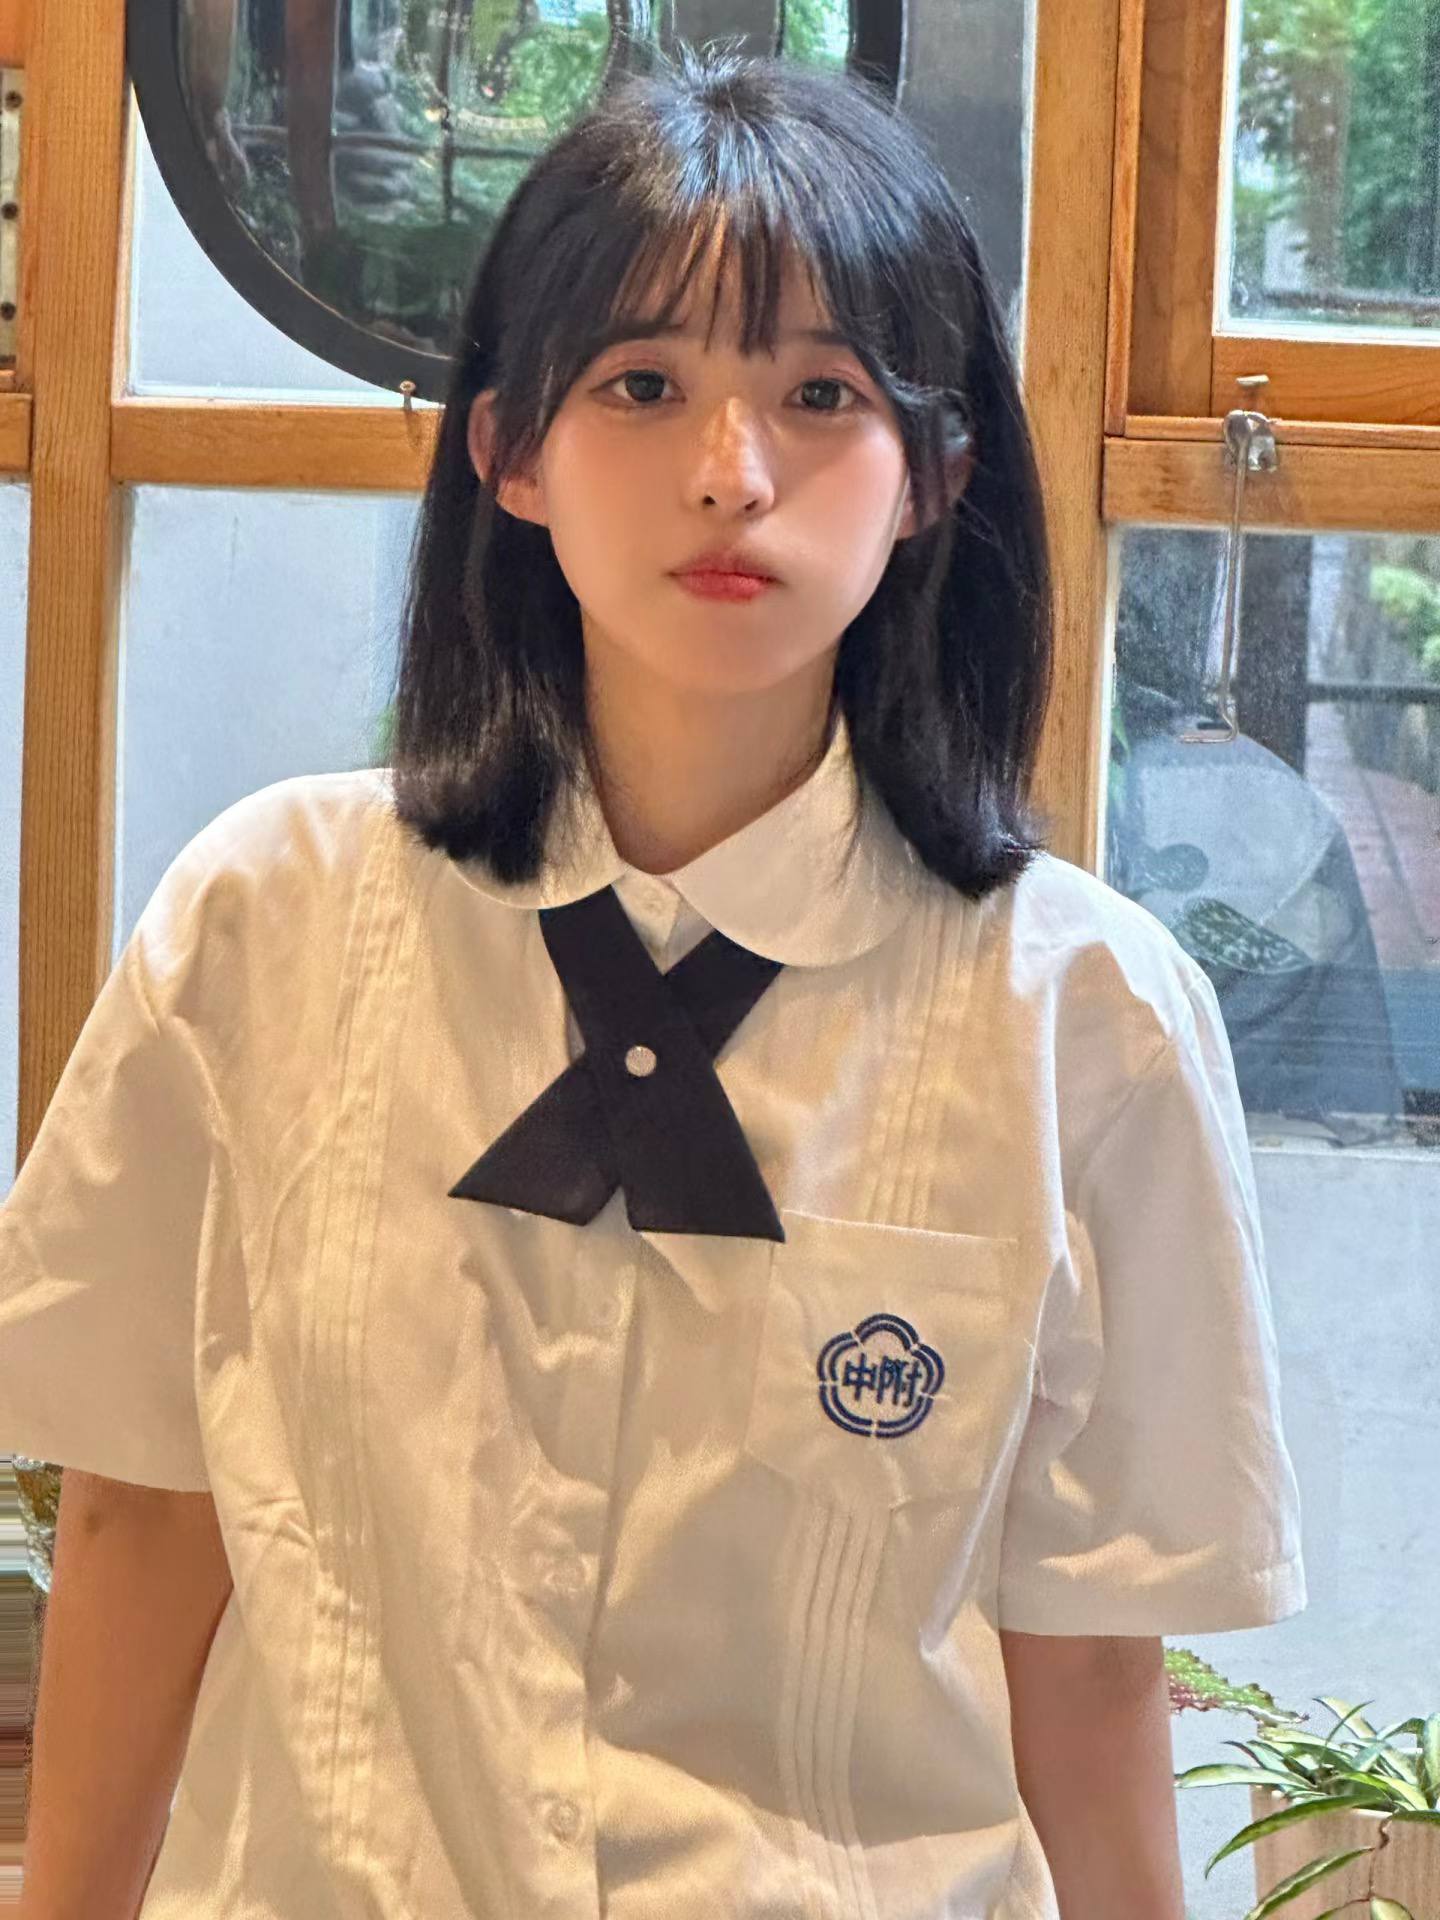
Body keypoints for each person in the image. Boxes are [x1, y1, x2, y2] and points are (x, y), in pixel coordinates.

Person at [2, 41, 1305, 1920]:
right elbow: (143, 1517)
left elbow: (1091, 1674)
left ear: (933, 476)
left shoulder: (1088, 1016)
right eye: (643, 384)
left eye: (822, 396)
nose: (730, 472)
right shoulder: (262, 920)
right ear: (511, 453)